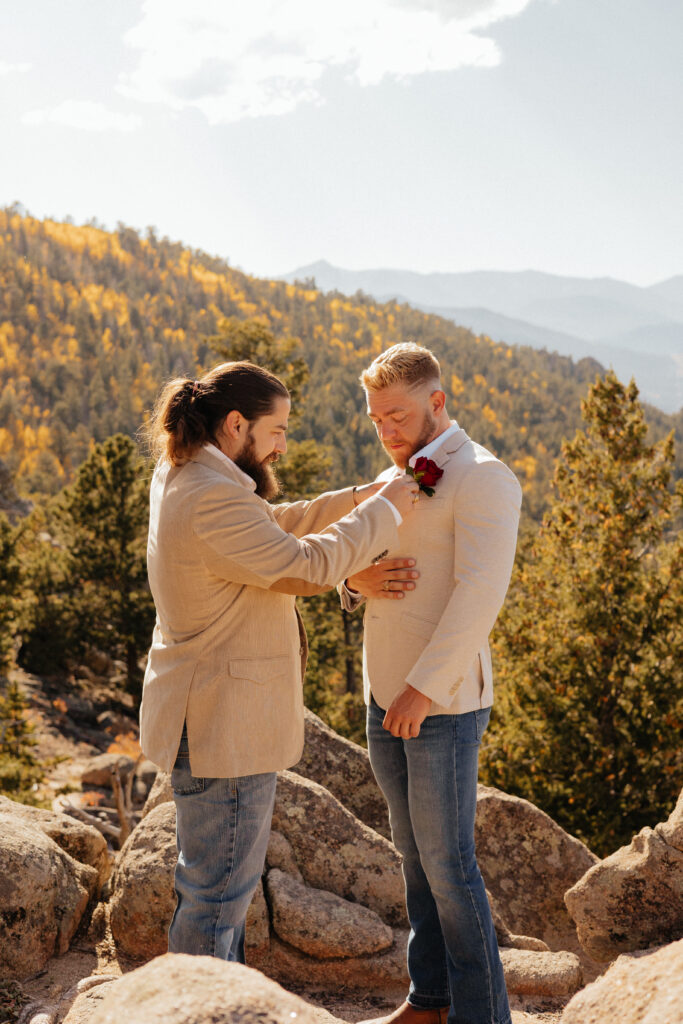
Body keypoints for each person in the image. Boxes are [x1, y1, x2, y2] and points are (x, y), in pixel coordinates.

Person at [139, 360, 418, 963]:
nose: (282, 446)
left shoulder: (189, 472)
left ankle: (211, 1001)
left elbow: (272, 529)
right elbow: (305, 564)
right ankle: (200, 1008)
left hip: (208, 715)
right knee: (217, 899)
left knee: (215, 893)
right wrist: (388, 507)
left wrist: (358, 497)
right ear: (237, 424)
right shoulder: (211, 496)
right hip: (224, 724)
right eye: (277, 431)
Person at [340, 343, 521, 1024]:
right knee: (413, 862)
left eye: (397, 415)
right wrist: (349, 584)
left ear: (436, 402)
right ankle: (429, 1000)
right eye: (375, 419)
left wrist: (423, 689)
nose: (384, 430)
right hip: (380, 695)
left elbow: (480, 594)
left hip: (438, 704)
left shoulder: (484, 477)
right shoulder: (395, 476)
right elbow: (356, 557)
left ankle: (483, 1016)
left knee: (449, 869)